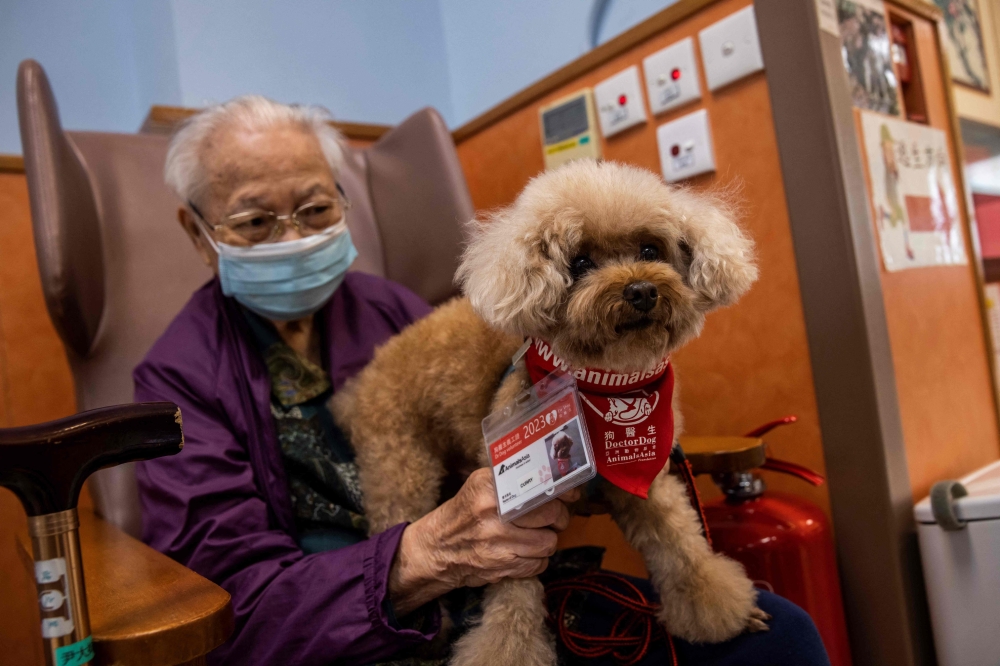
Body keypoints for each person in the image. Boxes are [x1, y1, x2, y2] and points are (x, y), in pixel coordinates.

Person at [136, 95, 830, 665]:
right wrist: (419, 558)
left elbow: (509, 426)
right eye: (257, 221)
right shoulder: (177, 380)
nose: (295, 237)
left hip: (508, 571)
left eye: (317, 209)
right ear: (199, 235)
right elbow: (230, 605)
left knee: (779, 640)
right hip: (344, 633)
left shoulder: (394, 310)